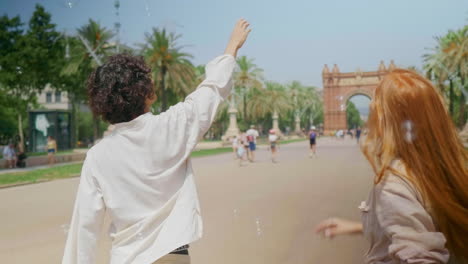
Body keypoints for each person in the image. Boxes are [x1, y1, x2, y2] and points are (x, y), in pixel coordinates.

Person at [62, 19, 251, 264]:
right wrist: (232, 47)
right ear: (148, 94)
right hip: (173, 256)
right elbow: (211, 90)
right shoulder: (172, 126)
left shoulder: (97, 156)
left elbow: (85, 227)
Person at [315, 69, 468, 263]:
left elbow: (420, 254)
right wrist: (358, 227)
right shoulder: (449, 169)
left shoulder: (394, 184)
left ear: (389, 122)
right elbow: (425, 222)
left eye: (375, 110)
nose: (371, 116)